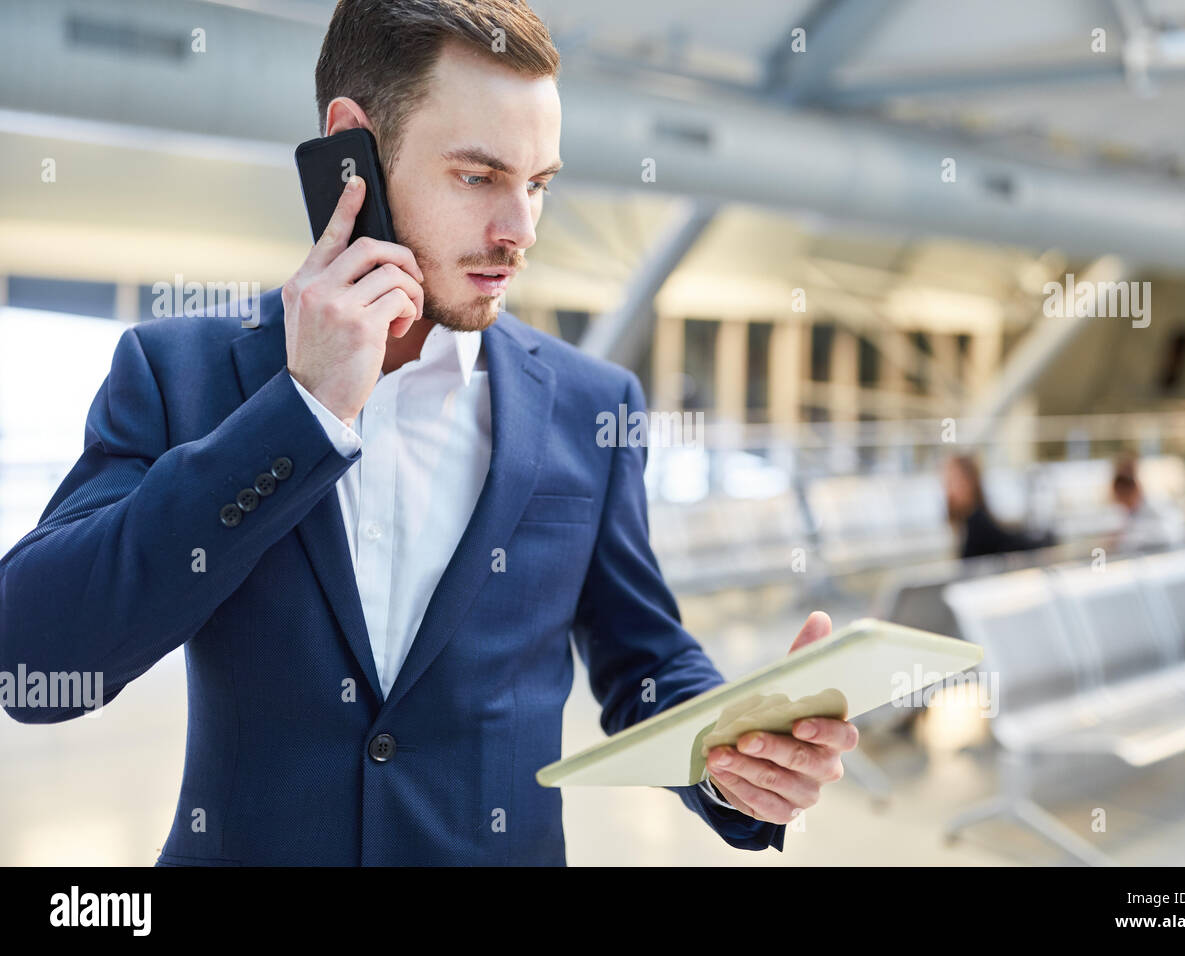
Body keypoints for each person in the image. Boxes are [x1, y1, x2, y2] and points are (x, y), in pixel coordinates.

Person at [0, 0, 857, 866]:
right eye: (479, 177)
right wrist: (300, 412)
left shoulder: (590, 405)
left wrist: (733, 753)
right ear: (353, 150)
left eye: (539, 184)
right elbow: (31, 661)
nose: (519, 232)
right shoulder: (181, 372)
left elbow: (645, 657)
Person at [943, 454, 1053, 559]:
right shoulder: (965, 522)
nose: (948, 489)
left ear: (968, 482)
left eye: (952, 481)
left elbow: (1010, 543)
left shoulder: (978, 523)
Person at [1109, 454, 1185, 553]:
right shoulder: (1130, 511)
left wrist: (1129, 538)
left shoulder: (1157, 502)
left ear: (1132, 491)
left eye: (1122, 497)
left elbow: (1173, 534)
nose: (1121, 502)